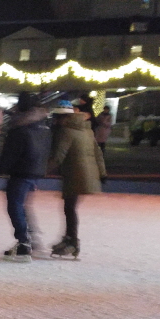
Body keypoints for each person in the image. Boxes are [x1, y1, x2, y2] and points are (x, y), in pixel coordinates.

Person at [48, 99, 106, 259]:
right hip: (86, 173)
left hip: (76, 173)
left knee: (70, 208)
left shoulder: (66, 131)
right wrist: (102, 173)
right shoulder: (85, 129)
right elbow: (98, 153)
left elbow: (58, 157)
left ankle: (72, 242)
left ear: (62, 117)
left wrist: (40, 171)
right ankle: (69, 239)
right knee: (70, 208)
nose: (55, 120)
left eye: (57, 117)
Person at [0, 92, 51, 263]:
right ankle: (31, 241)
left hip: (21, 171)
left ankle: (23, 244)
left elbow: (11, 153)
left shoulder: (20, 127)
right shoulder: (43, 125)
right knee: (23, 206)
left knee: (15, 206)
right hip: (36, 170)